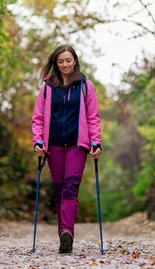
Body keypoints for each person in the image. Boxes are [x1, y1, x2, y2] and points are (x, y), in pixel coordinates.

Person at [31, 44, 102, 254]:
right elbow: (38, 118)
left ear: (75, 61)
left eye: (68, 61)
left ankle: (66, 232)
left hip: (77, 145)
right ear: (56, 63)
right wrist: (38, 141)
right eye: (60, 61)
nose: (65, 65)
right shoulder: (47, 88)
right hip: (53, 146)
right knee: (60, 190)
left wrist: (96, 142)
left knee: (71, 187)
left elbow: (93, 117)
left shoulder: (85, 86)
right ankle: (64, 232)